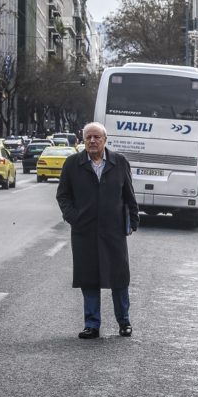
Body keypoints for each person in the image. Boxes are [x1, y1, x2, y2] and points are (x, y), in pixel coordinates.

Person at [55, 122, 140, 339]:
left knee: (119, 278)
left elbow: (129, 194)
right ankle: (91, 324)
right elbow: (63, 195)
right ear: (83, 140)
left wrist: (133, 220)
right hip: (84, 232)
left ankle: (124, 322)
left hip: (113, 231)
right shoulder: (73, 163)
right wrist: (73, 217)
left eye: (96, 137)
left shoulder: (119, 162)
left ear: (105, 140)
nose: (92, 141)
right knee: (89, 277)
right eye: (88, 137)